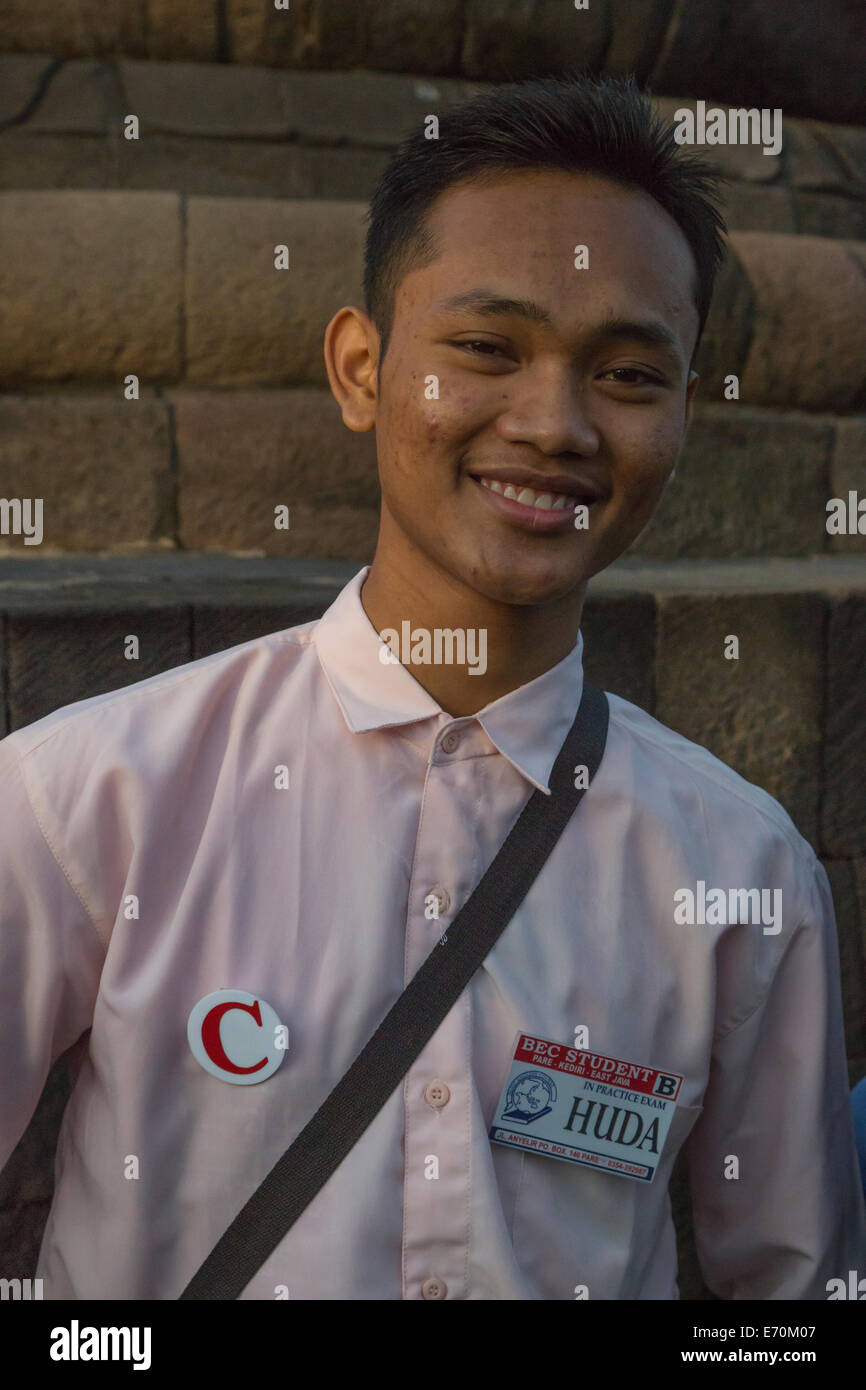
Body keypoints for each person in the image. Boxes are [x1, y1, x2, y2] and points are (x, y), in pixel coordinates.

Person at [1, 73, 864, 1301]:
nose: (553, 422)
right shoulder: (92, 795)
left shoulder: (739, 871)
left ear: (684, 412)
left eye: (624, 373)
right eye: (484, 348)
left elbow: (787, 1297)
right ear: (360, 369)